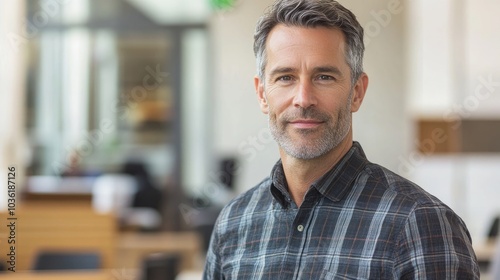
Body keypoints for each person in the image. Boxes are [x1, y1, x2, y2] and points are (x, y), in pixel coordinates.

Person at [203, 0, 480, 279]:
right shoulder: (233, 223)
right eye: (286, 77)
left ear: (357, 92)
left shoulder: (420, 223)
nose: (303, 99)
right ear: (262, 94)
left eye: (324, 77)